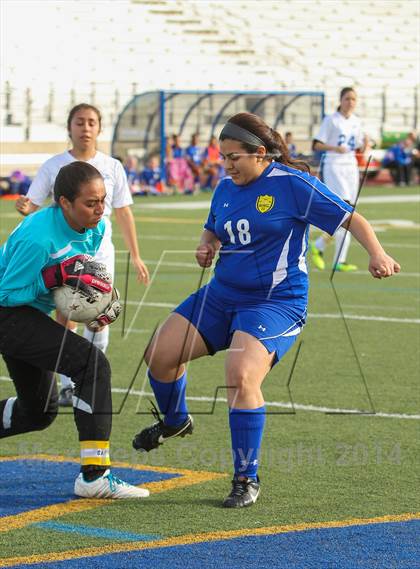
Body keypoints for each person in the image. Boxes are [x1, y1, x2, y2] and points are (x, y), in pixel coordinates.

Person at [132, 112, 400, 508]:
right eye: (223, 157)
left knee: (240, 375)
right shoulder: (225, 187)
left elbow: (351, 218)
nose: (227, 165)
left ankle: (246, 476)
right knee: (159, 354)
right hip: (222, 295)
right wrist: (206, 244)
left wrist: (377, 253)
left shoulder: (294, 185)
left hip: (276, 302)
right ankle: (175, 420)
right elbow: (213, 227)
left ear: (260, 153)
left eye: (234, 157)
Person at [0, 161, 149, 499]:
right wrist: (53, 278)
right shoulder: (37, 236)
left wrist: (96, 305)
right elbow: (8, 295)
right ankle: (94, 476)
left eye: (103, 200)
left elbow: (75, 282)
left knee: (38, 412)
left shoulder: (95, 228)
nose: (100, 209)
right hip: (7, 312)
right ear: (64, 202)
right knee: (91, 364)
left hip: (27, 313)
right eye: (90, 202)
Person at [15, 103, 149, 406]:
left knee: (99, 317)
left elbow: (124, 212)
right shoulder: (54, 166)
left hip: (100, 256)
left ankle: (90, 379)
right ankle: (66, 386)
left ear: (99, 128)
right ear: (69, 128)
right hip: (64, 255)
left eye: (91, 122)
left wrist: (136, 255)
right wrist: (25, 207)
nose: (85, 128)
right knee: (66, 315)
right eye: (79, 122)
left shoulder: (113, 166)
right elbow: (32, 204)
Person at [310, 87, 368, 272]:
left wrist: (367, 144)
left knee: (349, 210)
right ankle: (321, 247)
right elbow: (316, 144)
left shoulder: (357, 122)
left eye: (353, 99)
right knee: (344, 209)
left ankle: (329, 253)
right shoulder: (331, 120)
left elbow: (358, 145)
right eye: (347, 98)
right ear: (341, 100)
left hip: (350, 166)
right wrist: (335, 148)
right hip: (335, 165)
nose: (350, 102)